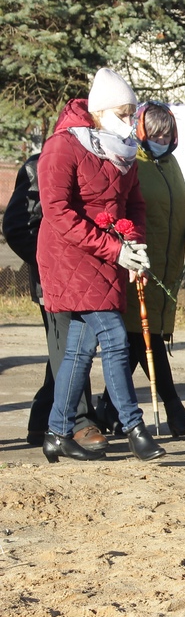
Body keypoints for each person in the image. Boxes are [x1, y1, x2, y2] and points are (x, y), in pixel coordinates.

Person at [35, 67, 166, 462]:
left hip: (107, 256)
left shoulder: (124, 154)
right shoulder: (63, 146)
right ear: (99, 111)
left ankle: (57, 431)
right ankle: (133, 427)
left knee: (79, 349)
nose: (130, 123)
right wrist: (114, 249)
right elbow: (57, 211)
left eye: (132, 114)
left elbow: (134, 205)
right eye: (122, 114)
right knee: (113, 337)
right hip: (69, 257)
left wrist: (134, 243)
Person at [99, 102, 185, 437]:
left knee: (139, 341)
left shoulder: (171, 163)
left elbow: (183, 203)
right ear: (142, 132)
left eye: (167, 133)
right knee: (145, 337)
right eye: (156, 133)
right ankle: (176, 412)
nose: (162, 138)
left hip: (168, 266)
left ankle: (106, 410)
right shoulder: (133, 160)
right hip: (140, 263)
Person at [3, 153, 106, 451]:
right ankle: (79, 422)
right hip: (55, 277)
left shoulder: (101, 162)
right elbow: (16, 226)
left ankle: (41, 419)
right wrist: (50, 262)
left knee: (66, 350)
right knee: (73, 347)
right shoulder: (40, 164)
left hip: (91, 272)